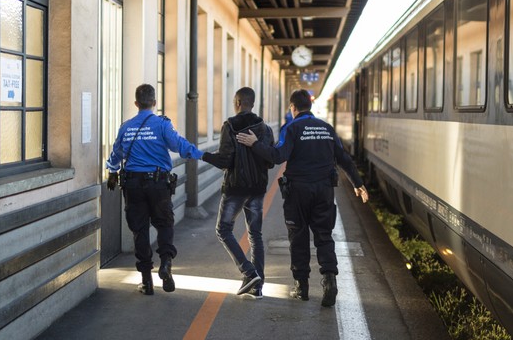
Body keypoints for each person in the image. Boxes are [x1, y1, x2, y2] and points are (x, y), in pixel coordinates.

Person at [236, 88, 368, 307]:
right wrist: (358, 184)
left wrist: (255, 144)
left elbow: (278, 156)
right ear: (310, 106)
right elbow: (344, 158)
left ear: (292, 107)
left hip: (298, 192)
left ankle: (302, 288)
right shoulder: (327, 128)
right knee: (324, 236)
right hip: (324, 191)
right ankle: (329, 281)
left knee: (298, 238)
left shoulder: (292, 128)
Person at [106, 84, 204, 295]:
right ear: (154, 102)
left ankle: (146, 281)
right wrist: (202, 155)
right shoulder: (162, 125)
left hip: (133, 185)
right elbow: (179, 145)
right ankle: (166, 262)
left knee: (140, 230)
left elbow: (116, 154)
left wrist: (112, 171)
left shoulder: (126, 127)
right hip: (159, 184)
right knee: (164, 223)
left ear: (136, 103)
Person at [201, 87, 275, 299]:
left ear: (238, 102)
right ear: (253, 103)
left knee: (223, 229)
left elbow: (225, 160)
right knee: (255, 235)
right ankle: (257, 285)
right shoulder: (265, 129)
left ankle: (248, 271)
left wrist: (205, 156)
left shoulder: (230, 126)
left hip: (235, 189)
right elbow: (270, 161)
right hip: (258, 189)